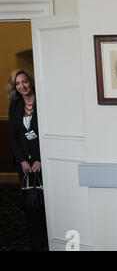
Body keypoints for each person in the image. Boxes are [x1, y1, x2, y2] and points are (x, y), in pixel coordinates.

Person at [7, 69, 48, 251]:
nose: (22, 86)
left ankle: (49, 239)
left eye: (24, 82)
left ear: (30, 82)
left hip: (43, 160)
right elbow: (13, 135)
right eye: (17, 84)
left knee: (44, 201)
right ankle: (34, 241)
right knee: (29, 201)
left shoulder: (43, 102)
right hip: (24, 163)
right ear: (14, 87)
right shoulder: (15, 105)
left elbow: (47, 135)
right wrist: (22, 160)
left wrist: (39, 159)